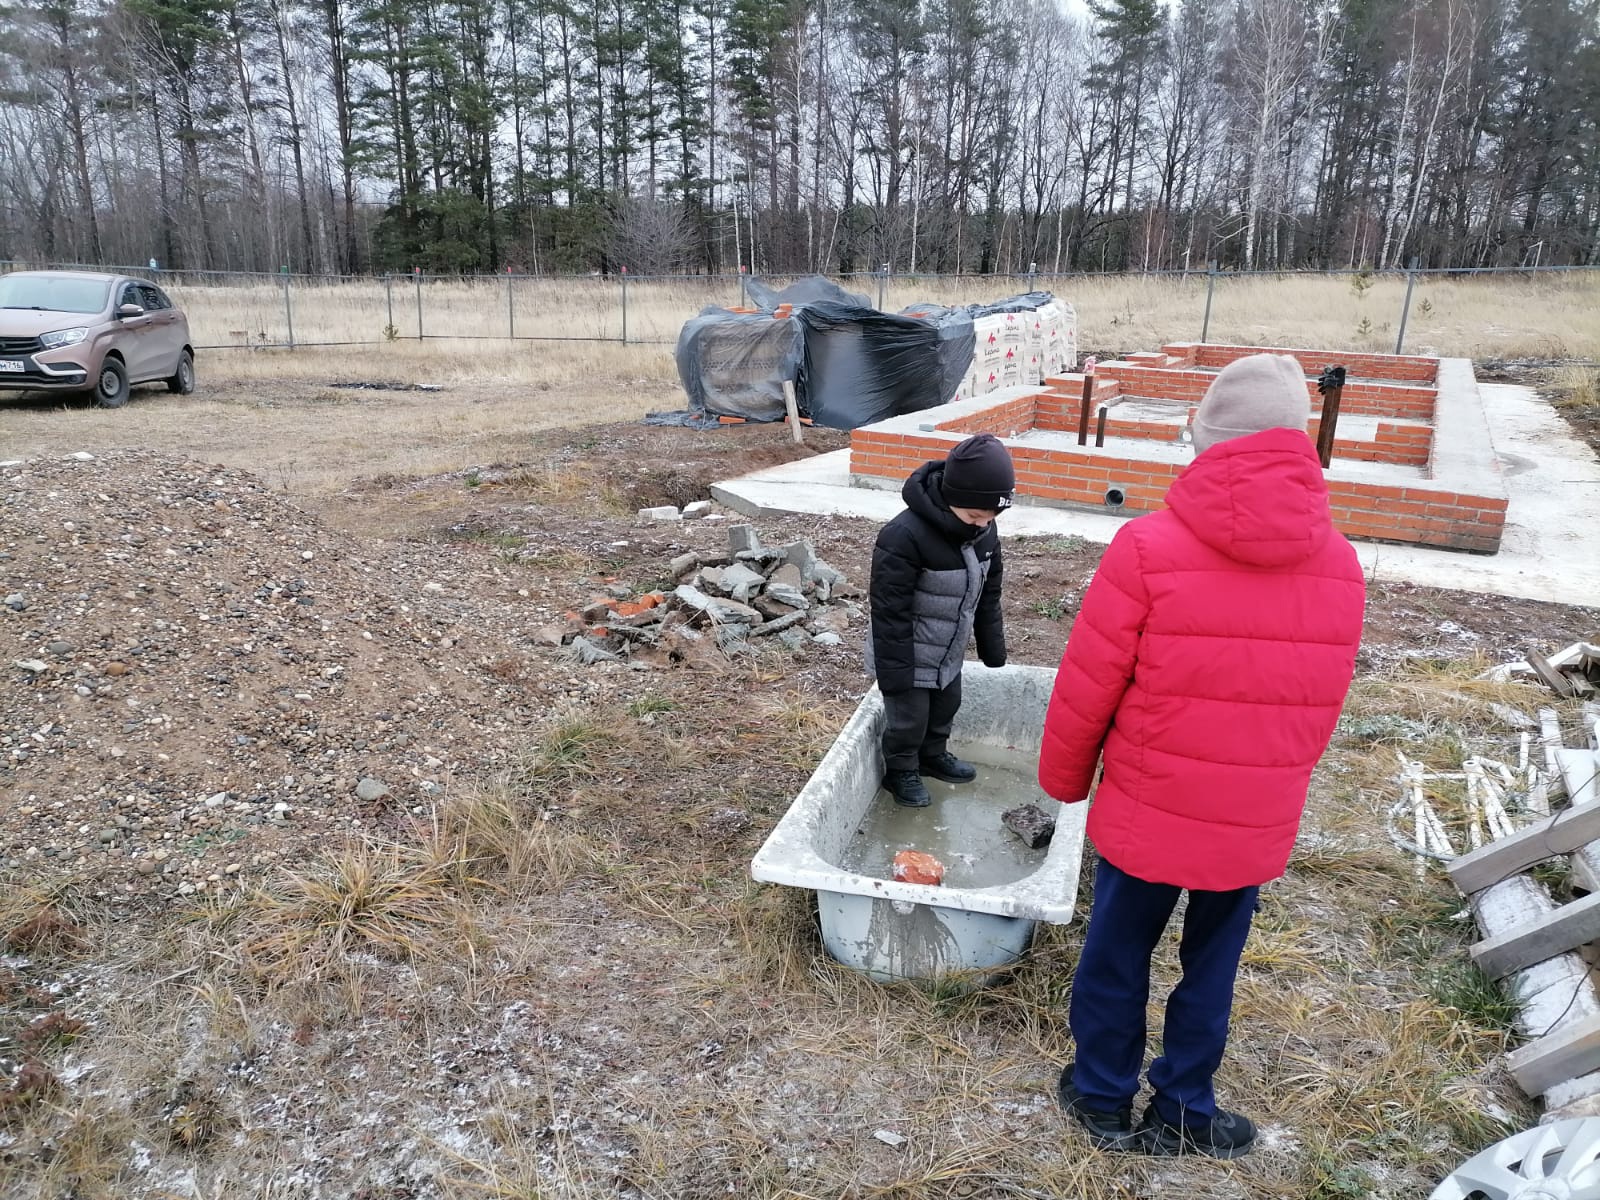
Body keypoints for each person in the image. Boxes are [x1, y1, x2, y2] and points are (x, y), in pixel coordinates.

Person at [1037, 353, 1365, 1157]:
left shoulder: (1146, 547)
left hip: (1149, 803)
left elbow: (1090, 682)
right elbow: (1321, 707)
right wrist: (1281, 786)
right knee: (1212, 964)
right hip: (1254, 813)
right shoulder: (1342, 563)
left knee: (1117, 951)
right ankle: (1184, 1105)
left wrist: (1065, 781)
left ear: (1208, 442)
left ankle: (1104, 1096)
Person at [867, 433, 1013, 808]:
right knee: (908, 719)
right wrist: (896, 675)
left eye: (991, 517)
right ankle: (900, 771)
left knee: (947, 705)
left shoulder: (984, 532)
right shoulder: (904, 536)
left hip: (948, 646)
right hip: (908, 651)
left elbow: (988, 590)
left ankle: (933, 756)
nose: (983, 524)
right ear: (951, 500)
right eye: (974, 516)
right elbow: (889, 610)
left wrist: (991, 647)